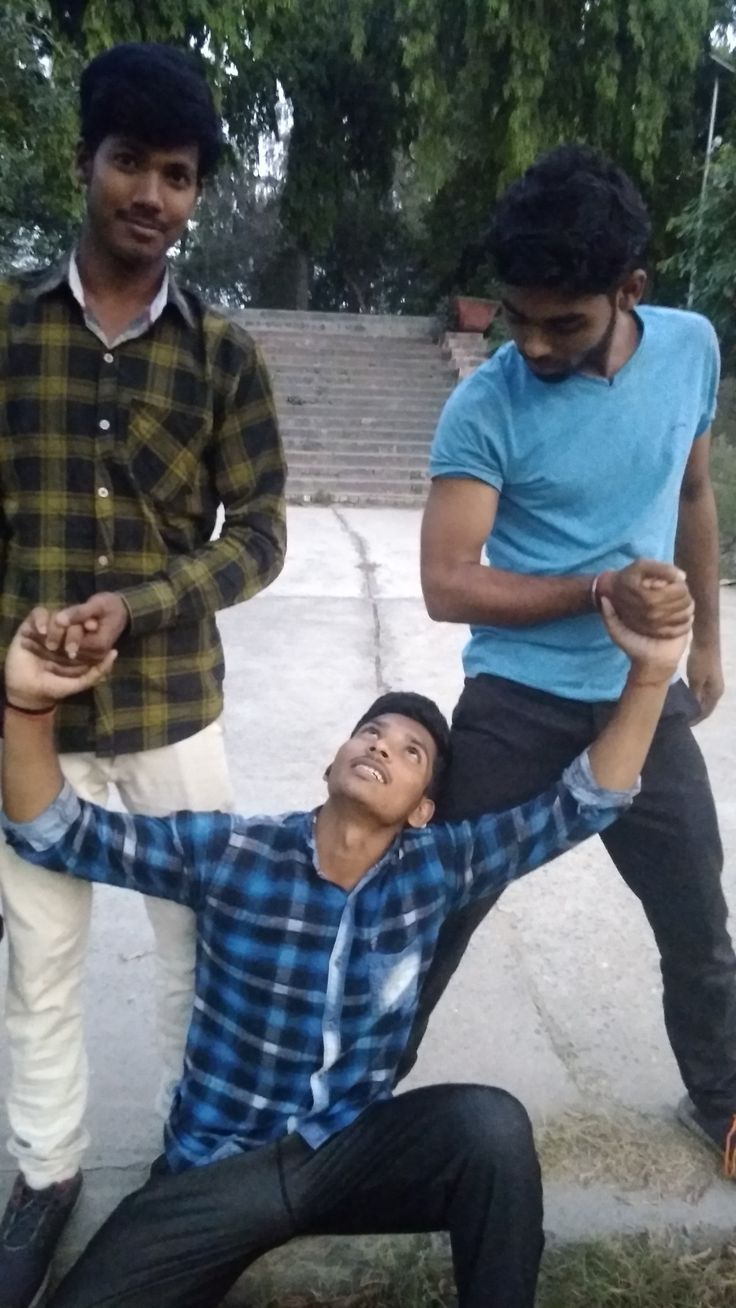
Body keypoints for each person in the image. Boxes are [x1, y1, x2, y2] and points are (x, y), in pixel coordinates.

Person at [0, 586, 690, 1308]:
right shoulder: (235, 853)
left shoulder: (436, 868)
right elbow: (57, 831)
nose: (383, 747)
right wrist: (28, 706)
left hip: (346, 1157)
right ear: (332, 764)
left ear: (423, 808)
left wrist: (647, 675)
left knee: (488, 1127)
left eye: (411, 751)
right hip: (216, 1175)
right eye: (372, 734)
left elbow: (581, 804)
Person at [0, 42, 286, 1306]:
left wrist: (147, 602)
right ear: (87, 164)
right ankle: (45, 1178)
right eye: (131, 163)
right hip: (32, 724)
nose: (152, 197)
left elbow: (263, 534)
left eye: (178, 176)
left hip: (175, 712)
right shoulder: (9, 332)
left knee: (196, 954)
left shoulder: (224, 356)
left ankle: (192, 1182)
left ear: (195, 194)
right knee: (39, 956)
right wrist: (22, 644)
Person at [409, 143, 736, 1174]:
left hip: (641, 704)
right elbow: (448, 581)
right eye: (518, 316)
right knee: (435, 911)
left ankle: (723, 1103)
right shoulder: (487, 404)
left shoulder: (688, 349)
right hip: (515, 698)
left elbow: (690, 494)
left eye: (566, 322)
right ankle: (336, 1099)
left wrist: (709, 640)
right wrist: (596, 590)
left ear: (629, 289)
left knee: (698, 922)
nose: (534, 345)